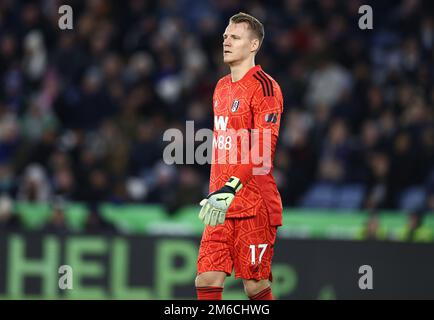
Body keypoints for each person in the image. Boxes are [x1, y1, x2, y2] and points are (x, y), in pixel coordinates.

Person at [195, 12, 284, 300]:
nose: (226, 41)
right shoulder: (221, 88)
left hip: (254, 202)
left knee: (254, 286)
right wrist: (218, 192)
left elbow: (262, 150)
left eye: (235, 37)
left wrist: (230, 188)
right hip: (221, 203)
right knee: (206, 278)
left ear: (254, 44)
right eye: (225, 36)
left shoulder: (266, 88)